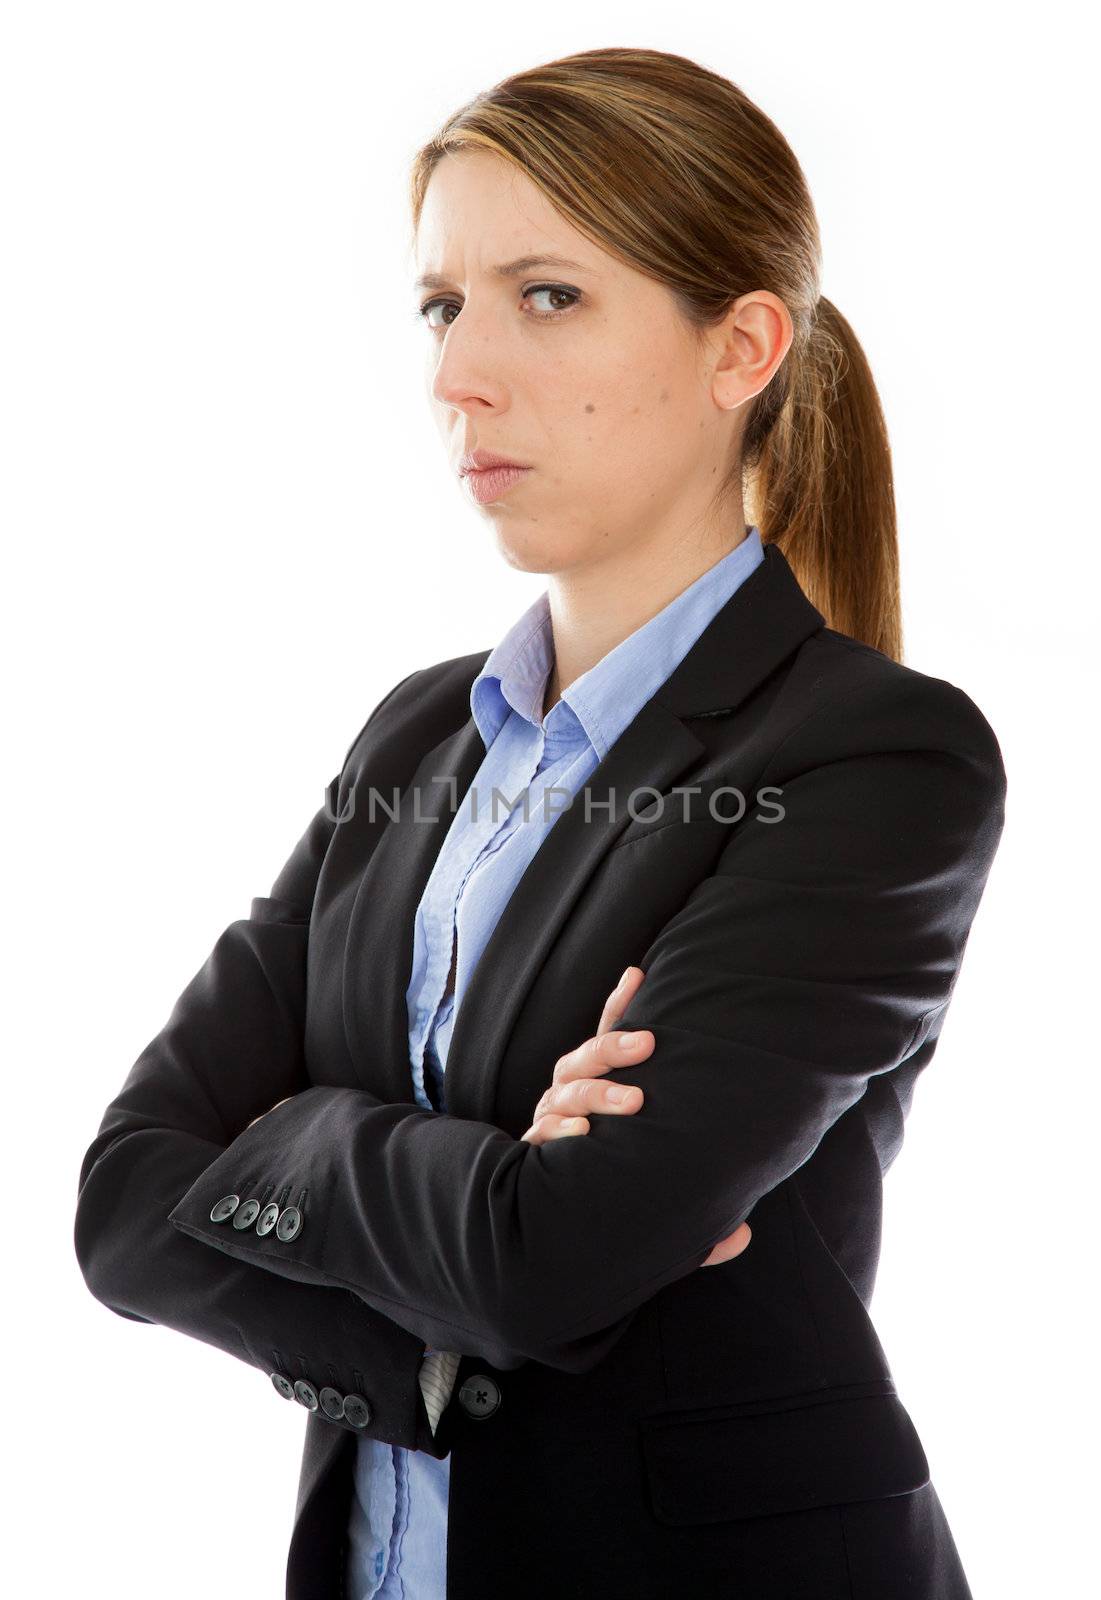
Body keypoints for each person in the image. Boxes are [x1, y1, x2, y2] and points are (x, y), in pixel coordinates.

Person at [74, 45, 1006, 1599]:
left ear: (742, 346)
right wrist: (467, 1229)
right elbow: (122, 1209)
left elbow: (552, 1258)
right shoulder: (418, 735)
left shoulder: (877, 759)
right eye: (442, 307)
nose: (458, 374)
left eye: (546, 295)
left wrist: (297, 1139)